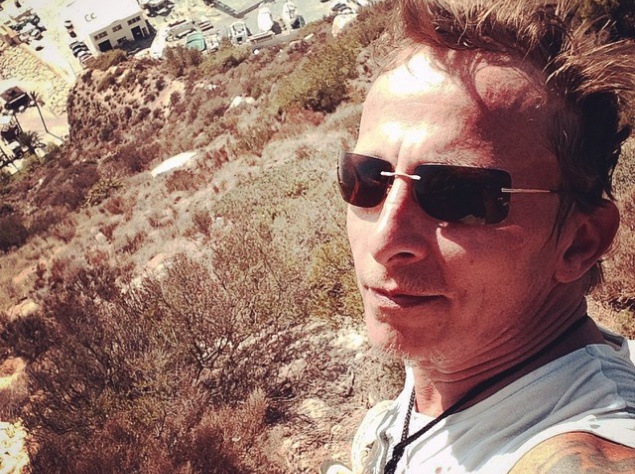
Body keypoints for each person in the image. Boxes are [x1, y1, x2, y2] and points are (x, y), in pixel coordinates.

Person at [336, 0, 635, 472]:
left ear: (580, 242)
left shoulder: (583, 452)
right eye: (367, 179)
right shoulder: (464, 356)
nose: (385, 241)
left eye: (455, 194)